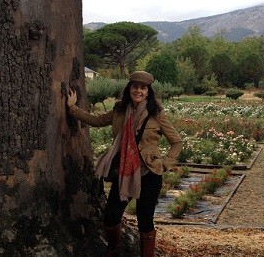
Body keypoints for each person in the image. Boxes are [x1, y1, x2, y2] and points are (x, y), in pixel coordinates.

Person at [66, 71, 182, 257]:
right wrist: (72, 109)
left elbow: (176, 142)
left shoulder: (156, 114)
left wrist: (164, 164)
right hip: (124, 173)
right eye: (135, 87)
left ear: (148, 92)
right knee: (111, 217)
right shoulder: (119, 111)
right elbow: (96, 121)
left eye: (143, 88)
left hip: (150, 175)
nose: (138, 91)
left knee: (145, 222)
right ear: (129, 89)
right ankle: (114, 251)